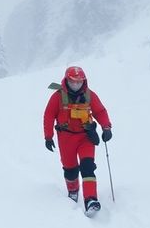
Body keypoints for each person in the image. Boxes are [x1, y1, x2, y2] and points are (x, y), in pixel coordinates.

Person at [43, 66, 113, 216]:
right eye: (73, 82)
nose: (76, 85)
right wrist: (48, 137)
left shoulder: (89, 95)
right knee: (70, 169)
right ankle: (73, 191)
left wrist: (106, 127)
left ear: (84, 81)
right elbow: (48, 115)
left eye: (79, 82)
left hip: (85, 137)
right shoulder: (57, 96)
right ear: (67, 80)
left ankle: (91, 199)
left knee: (88, 167)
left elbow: (100, 111)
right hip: (66, 138)